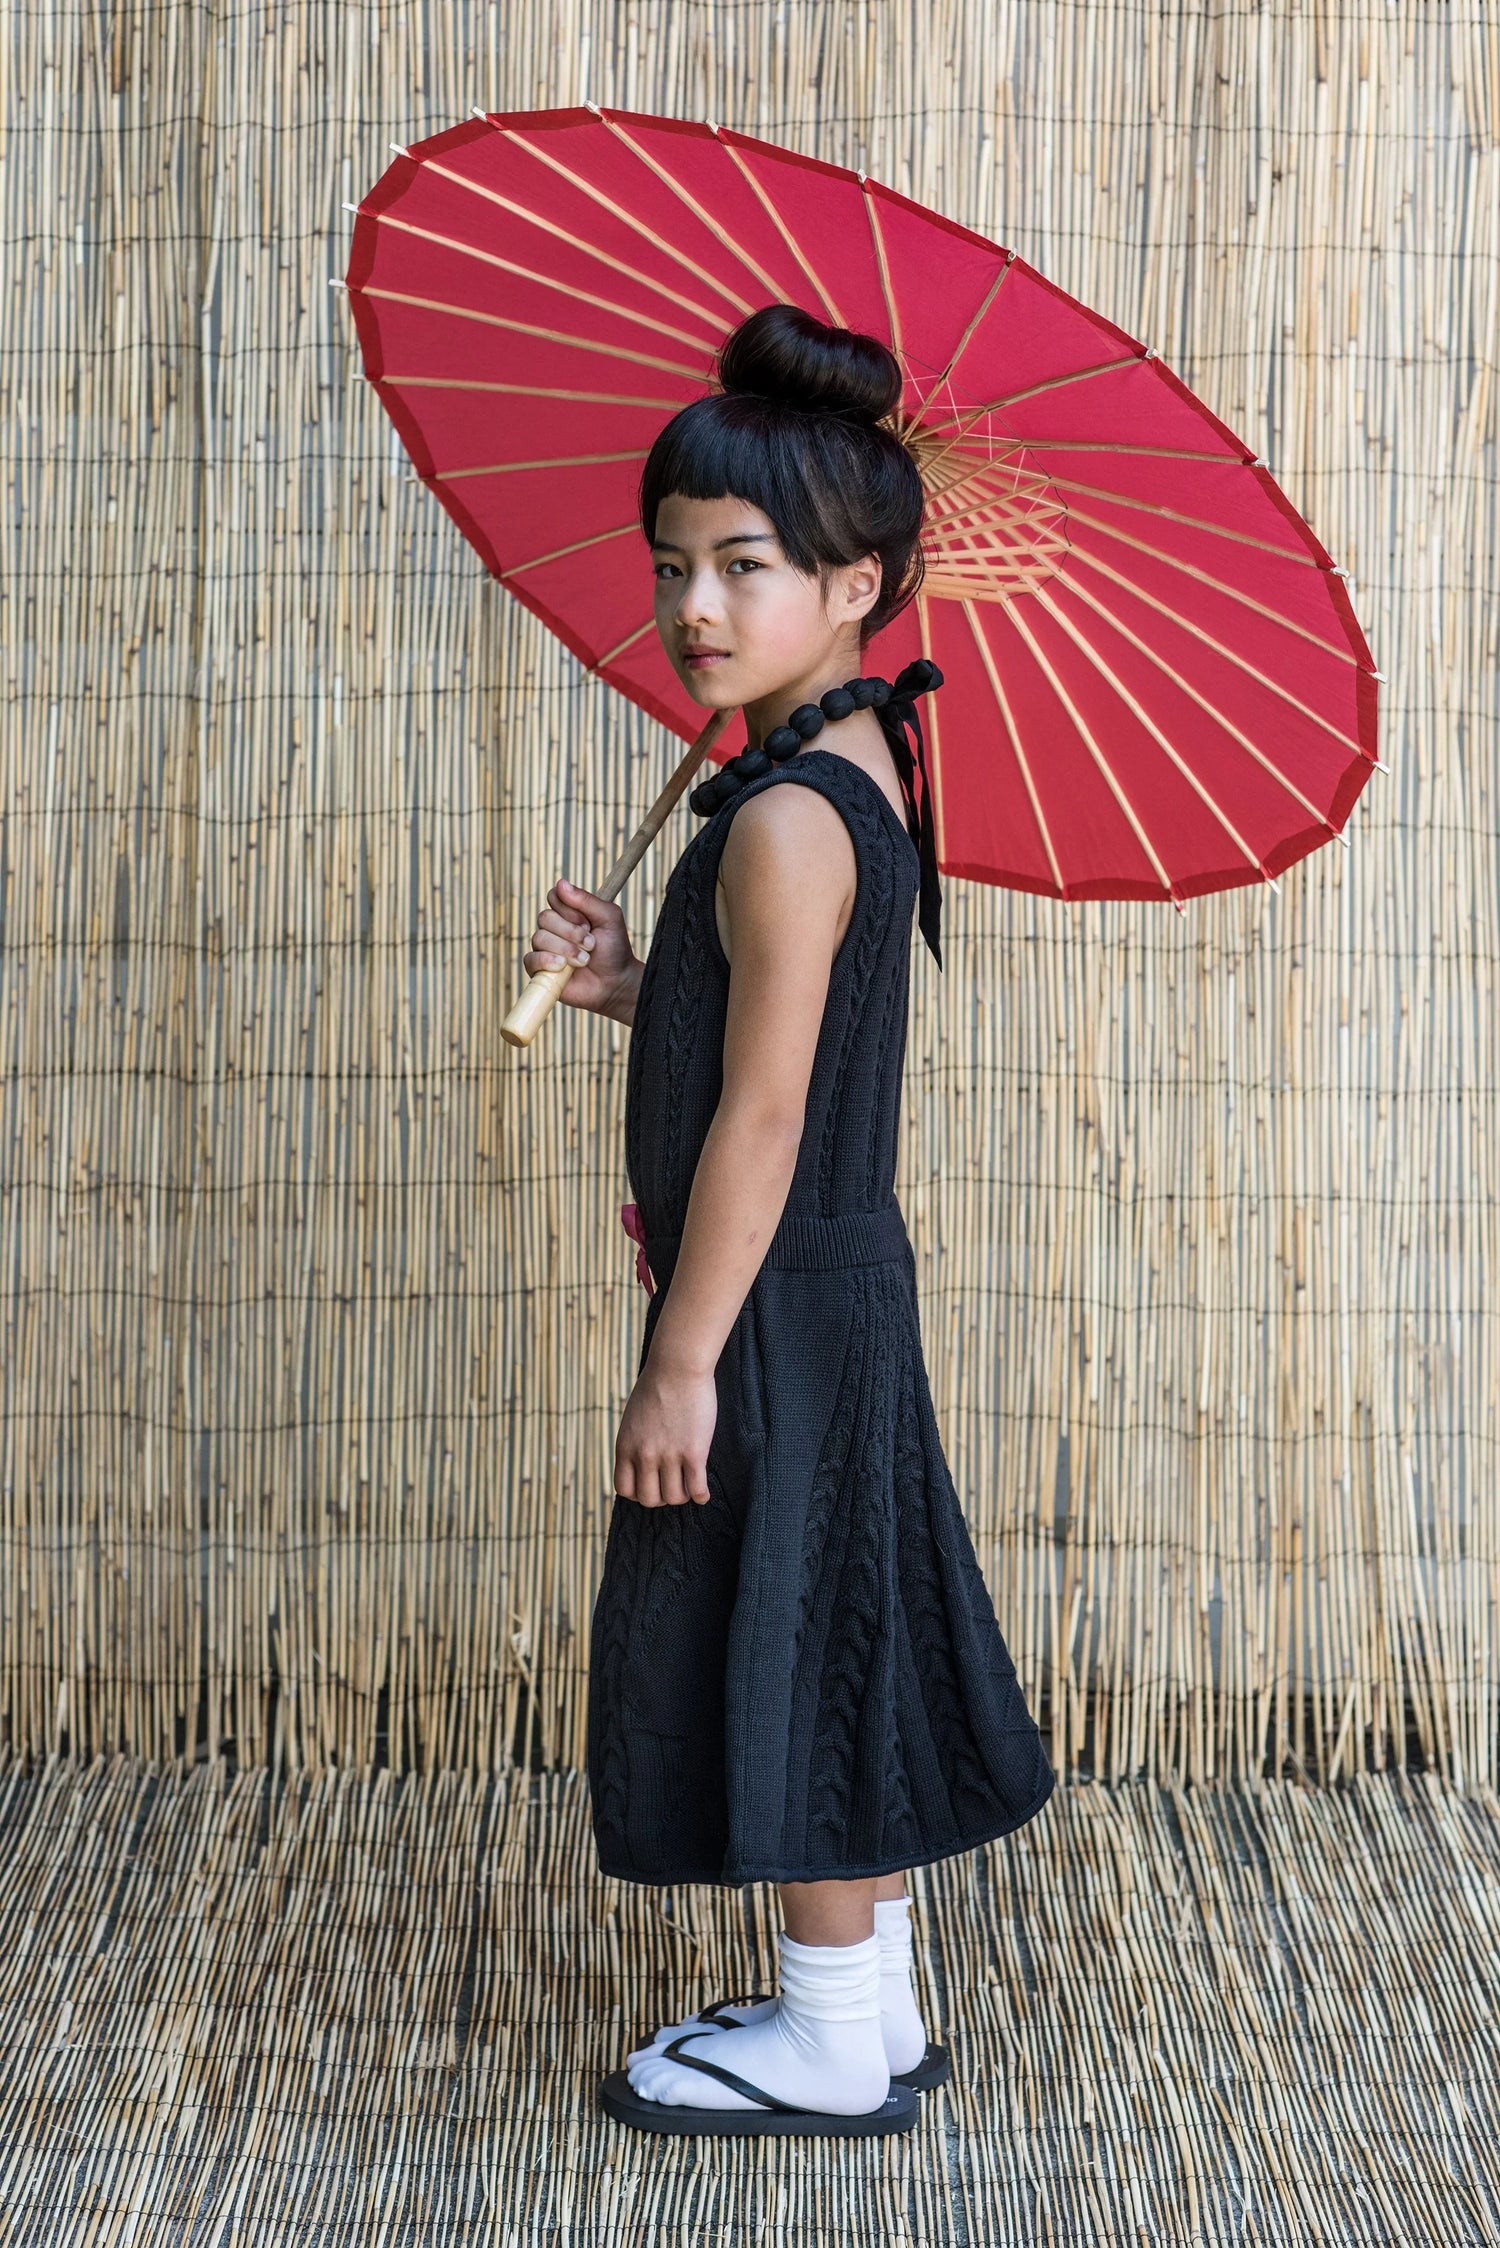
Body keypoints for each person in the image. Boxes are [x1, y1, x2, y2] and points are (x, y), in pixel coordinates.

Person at [523, 303, 1056, 2138]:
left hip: (768, 1307)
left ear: (860, 586)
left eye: (746, 566)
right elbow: (768, 1033)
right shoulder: (831, 780)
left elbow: (765, 1116)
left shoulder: (778, 820)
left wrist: (681, 1364)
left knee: (791, 1629)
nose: (694, 606)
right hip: (838, 1290)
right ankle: (871, 2006)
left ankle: (831, 2044)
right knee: (838, 1622)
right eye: (674, 563)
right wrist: (628, 981)